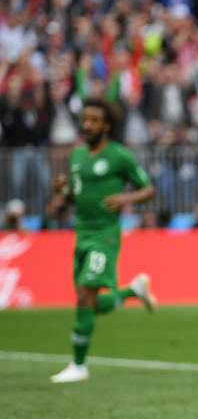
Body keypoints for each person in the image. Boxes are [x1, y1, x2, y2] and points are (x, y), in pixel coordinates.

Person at [46, 99, 157, 383]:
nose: (87, 125)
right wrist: (63, 193)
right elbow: (75, 196)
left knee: (85, 293)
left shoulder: (120, 156)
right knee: (90, 304)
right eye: (85, 120)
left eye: (94, 120)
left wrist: (125, 198)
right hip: (80, 232)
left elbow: (147, 190)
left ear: (106, 125)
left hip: (104, 234)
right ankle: (133, 291)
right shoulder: (77, 156)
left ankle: (79, 366)